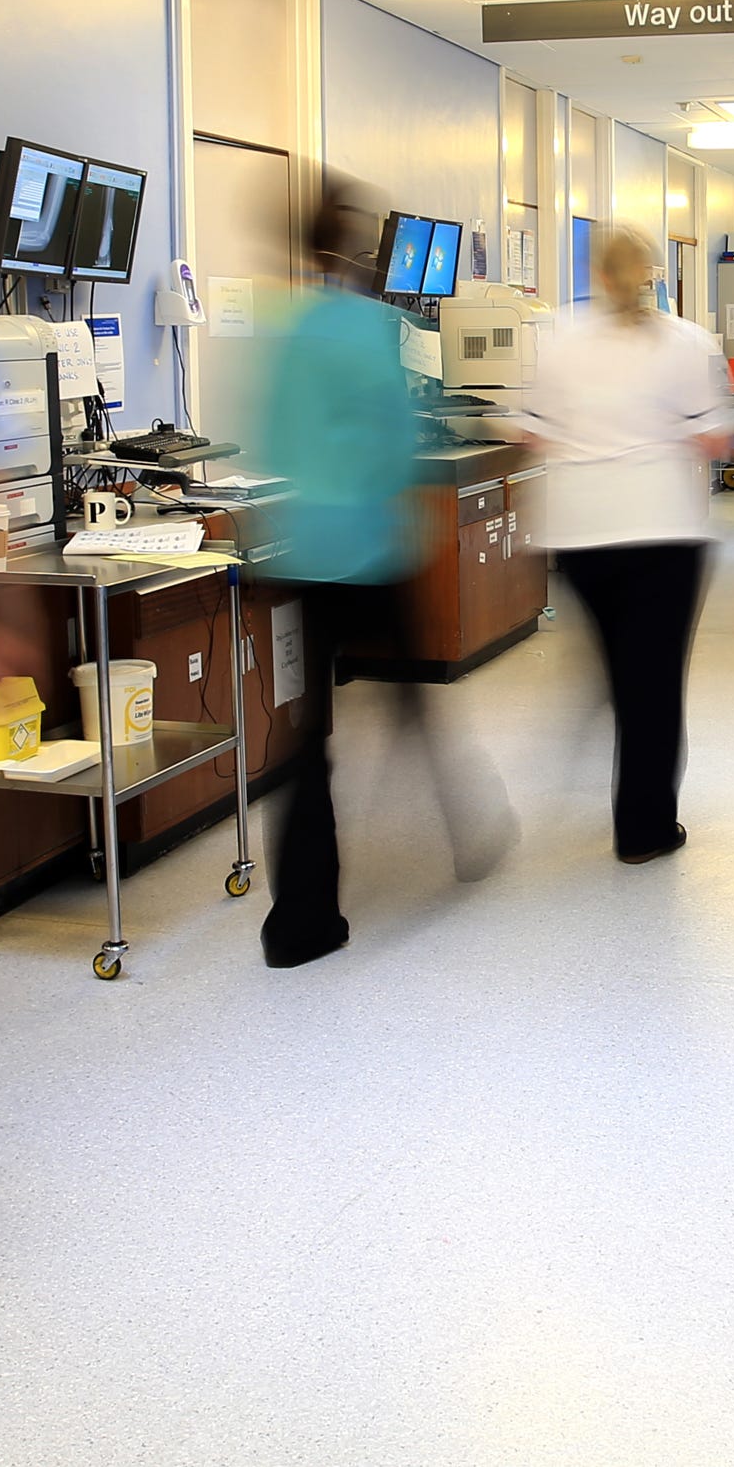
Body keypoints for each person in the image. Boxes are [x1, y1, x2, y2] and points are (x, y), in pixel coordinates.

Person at [250, 178, 506, 968]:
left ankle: (301, 918)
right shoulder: (373, 327)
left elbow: (270, 439)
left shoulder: (288, 330)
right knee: (416, 705)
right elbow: (399, 440)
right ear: (361, 246)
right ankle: (470, 833)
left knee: (303, 740)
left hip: (302, 549)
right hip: (368, 546)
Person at [522, 227, 734, 864]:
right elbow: (720, 439)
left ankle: (616, 693)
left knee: (626, 667)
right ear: (650, 273)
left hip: (582, 538)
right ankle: (644, 830)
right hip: (662, 532)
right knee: (656, 682)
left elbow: (533, 433)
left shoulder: (558, 335)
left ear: (597, 274)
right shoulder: (685, 342)